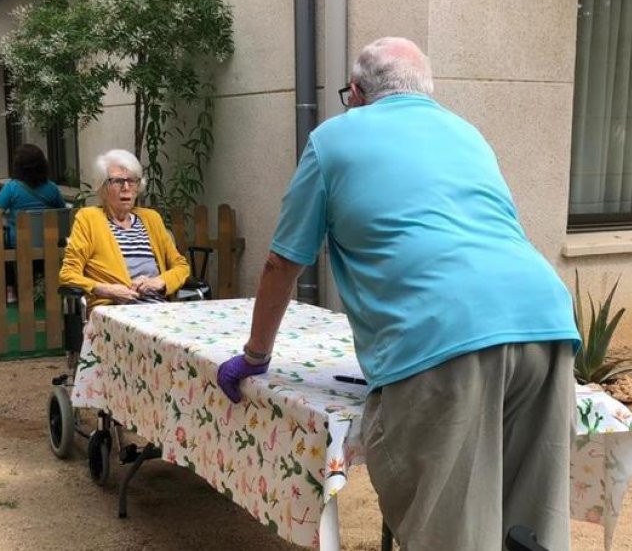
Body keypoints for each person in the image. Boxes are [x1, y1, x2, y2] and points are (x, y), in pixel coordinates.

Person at [215, 37, 582, 551]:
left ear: (358, 91)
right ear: (425, 91)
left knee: (453, 529)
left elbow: (282, 262)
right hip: (546, 319)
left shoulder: (333, 140)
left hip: (446, 333)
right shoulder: (467, 134)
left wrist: (255, 356)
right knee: (530, 522)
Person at [59, 149, 189, 310]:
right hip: (112, 311)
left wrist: (160, 282)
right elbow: (68, 275)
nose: (126, 187)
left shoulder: (151, 218)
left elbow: (181, 267)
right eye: (118, 181)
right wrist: (107, 290)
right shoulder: (89, 219)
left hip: (158, 309)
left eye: (132, 181)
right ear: (103, 187)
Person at [0, 144, 66, 303]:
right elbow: (61, 212)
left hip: (18, 241)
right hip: (47, 241)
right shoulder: (51, 188)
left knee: (0, 245)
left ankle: (10, 289)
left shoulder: (11, 187)